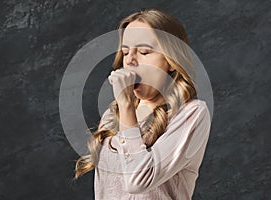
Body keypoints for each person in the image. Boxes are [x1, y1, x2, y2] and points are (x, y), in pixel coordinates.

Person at [74, 9, 211, 200]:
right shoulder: (112, 114)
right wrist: (125, 108)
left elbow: (139, 182)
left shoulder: (192, 114)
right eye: (125, 52)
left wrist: (127, 107)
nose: (130, 60)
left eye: (144, 51)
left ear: (171, 61)